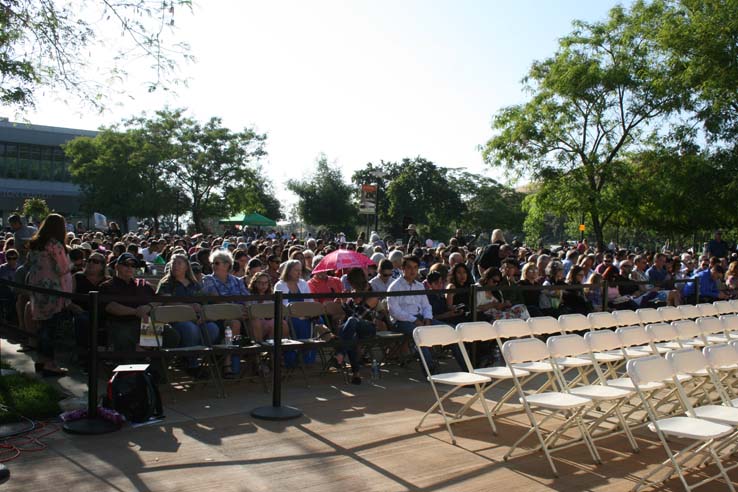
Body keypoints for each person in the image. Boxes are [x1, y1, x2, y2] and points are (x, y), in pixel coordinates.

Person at [157, 253, 221, 375]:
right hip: (175, 320)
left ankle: (192, 357)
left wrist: (203, 315)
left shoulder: (194, 284)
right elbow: (165, 303)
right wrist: (188, 307)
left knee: (212, 328)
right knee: (190, 329)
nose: (175, 266)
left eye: (179, 263)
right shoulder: (166, 283)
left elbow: (203, 304)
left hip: (196, 319)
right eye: (173, 263)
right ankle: (191, 363)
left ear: (186, 266)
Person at [25, 214, 72, 376]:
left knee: (41, 325)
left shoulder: (35, 243)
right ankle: (50, 364)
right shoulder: (54, 244)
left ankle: (41, 360)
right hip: (52, 290)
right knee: (50, 328)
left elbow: (29, 263)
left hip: (37, 288)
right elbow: (63, 268)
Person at [201, 250, 249, 378]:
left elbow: (246, 299)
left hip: (240, 316)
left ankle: (258, 361)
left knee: (256, 321)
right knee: (234, 323)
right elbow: (217, 300)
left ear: (227, 265)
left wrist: (243, 309)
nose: (213, 266)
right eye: (212, 263)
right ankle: (228, 363)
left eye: (217, 263)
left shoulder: (237, 281)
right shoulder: (208, 280)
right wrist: (237, 309)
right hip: (218, 317)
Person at [337, 268, 378, 385]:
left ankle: (340, 351)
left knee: (351, 322)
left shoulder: (372, 295)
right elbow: (350, 318)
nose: (351, 287)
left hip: (368, 328)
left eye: (352, 284)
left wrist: (345, 304)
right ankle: (356, 374)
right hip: (354, 330)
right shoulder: (353, 294)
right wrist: (345, 302)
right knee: (351, 337)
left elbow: (358, 316)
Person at [247, 272, 277, 341]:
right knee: (256, 321)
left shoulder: (271, 298)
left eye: (266, 283)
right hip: (254, 324)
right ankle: (260, 347)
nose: (263, 285)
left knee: (279, 323)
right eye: (260, 282)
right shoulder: (249, 297)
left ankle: (273, 347)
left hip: (268, 322)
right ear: (255, 283)